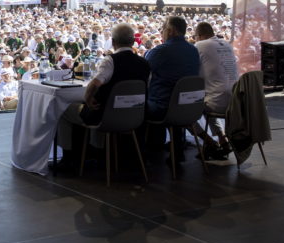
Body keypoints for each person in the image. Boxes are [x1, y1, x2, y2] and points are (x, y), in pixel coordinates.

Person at [57, 23, 150, 165]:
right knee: (102, 104)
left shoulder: (110, 61)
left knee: (65, 109)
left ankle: (69, 159)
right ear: (132, 42)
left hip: (107, 117)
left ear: (113, 42)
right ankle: (97, 151)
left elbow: (94, 84)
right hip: (135, 116)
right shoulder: (144, 63)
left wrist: (87, 99)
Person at [144, 16, 200, 161]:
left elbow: (142, 70)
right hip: (189, 107)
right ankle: (175, 148)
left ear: (170, 31)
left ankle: (142, 153)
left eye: (163, 29)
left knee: (135, 105)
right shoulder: (193, 51)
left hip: (162, 108)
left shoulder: (161, 51)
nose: (162, 32)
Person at [193, 22, 238, 158]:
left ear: (200, 36)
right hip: (236, 101)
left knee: (184, 109)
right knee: (209, 96)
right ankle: (223, 140)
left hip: (218, 103)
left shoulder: (200, 45)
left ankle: (210, 142)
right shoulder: (227, 45)